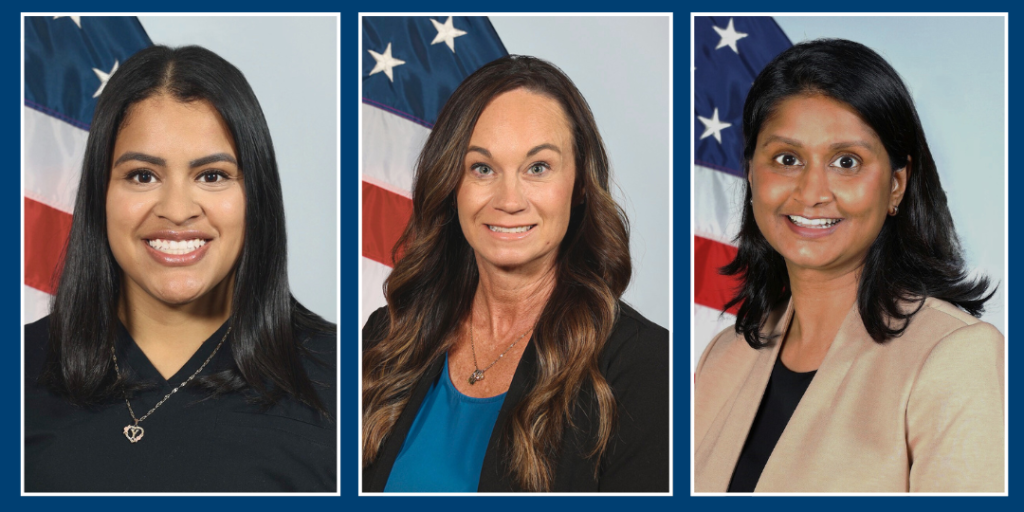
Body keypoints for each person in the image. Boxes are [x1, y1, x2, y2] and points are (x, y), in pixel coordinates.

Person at [694, 39, 1004, 493]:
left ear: (897, 185)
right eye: (787, 159)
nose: (812, 191)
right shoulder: (724, 354)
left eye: (846, 162)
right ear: (753, 173)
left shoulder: (955, 357)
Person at [24, 45, 336, 492]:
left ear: (256, 196)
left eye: (212, 176)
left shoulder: (348, 380)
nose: (176, 210)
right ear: (100, 193)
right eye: (142, 175)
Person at [361, 55, 669, 493]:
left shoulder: (643, 366)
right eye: (482, 168)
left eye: (537, 168)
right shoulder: (388, 338)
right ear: (453, 184)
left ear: (580, 184)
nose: (509, 200)